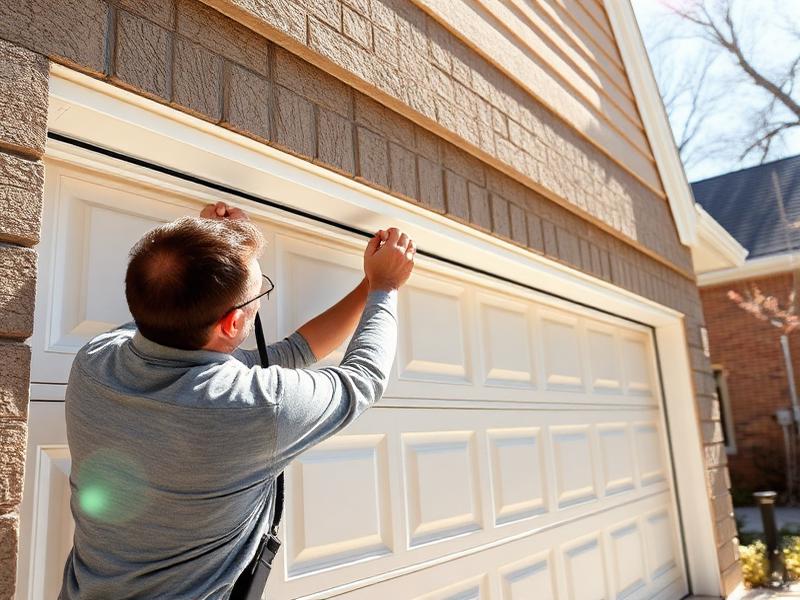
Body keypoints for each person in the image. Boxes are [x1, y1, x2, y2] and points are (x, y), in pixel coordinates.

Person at [59, 201, 416, 599]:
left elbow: (289, 353)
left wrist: (369, 284)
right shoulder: (251, 409)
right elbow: (362, 378)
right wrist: (386, 289)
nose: (261, 298)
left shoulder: (95, 360)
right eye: (260, 289)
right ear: (230, 323)